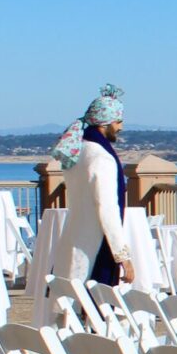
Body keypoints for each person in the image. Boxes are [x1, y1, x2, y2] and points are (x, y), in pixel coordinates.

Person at [50, 84, 134, 286]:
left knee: (67, 301)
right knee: (91, 301)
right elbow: (107, 208)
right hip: (93, 243)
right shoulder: (101, 158)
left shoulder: (77, 152)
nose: (121, 127)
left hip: (73, 234)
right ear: (105, 123)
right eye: (118, 121)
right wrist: (122, 256)